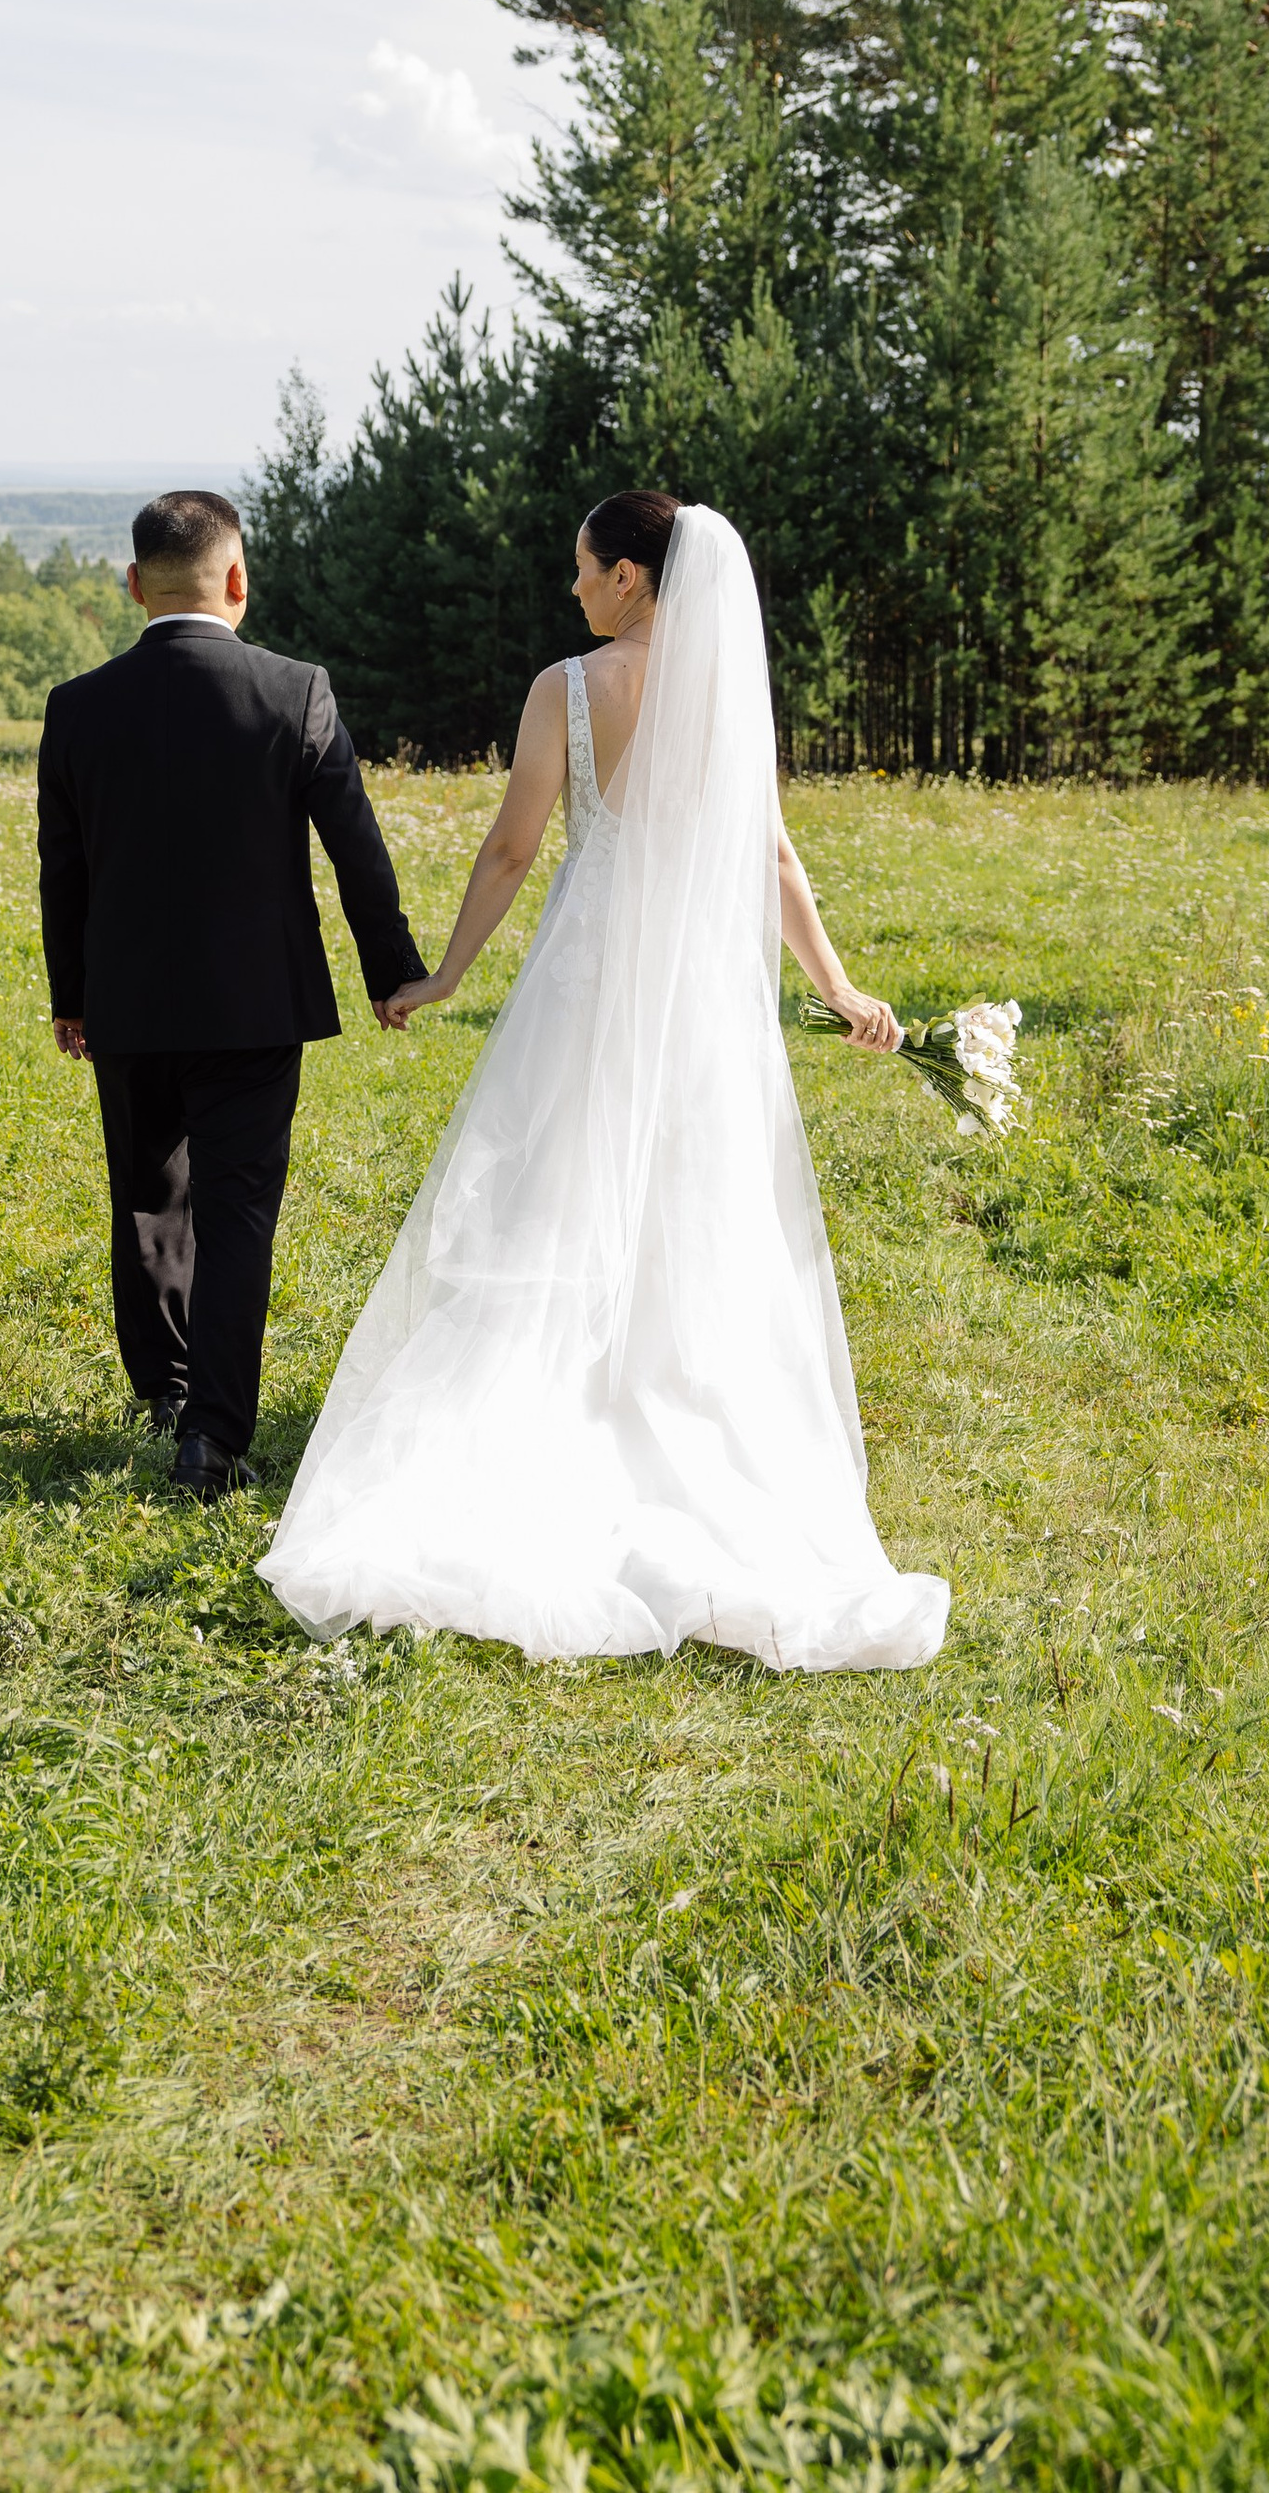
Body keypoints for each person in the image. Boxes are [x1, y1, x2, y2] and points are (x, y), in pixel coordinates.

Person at [257, 490, 949, 1671]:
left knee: (555, 1187)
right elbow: (772, 853)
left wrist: (442, 978)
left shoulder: (568, 689)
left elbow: (514, 847)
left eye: (582, 569)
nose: (571, 589)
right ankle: (665, 1403)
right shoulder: (725, 691)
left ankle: (551, 1409)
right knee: (693, 1197)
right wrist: (836, 988)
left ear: (629, 575)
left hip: (589, 977)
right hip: (700, 991)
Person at [37, 488, 426, 1505]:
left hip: (124, 998)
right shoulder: (295, 691)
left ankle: (163, 1390)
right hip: (257, 1001)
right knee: (238, 1209)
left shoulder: (77, 708)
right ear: (238, 581)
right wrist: (391, 971)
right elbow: (356, 848)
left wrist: (69, 995)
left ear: (134, 586)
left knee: (147, 1195)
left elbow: (63, 868)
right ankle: (211, 1435)